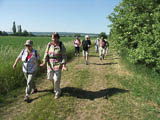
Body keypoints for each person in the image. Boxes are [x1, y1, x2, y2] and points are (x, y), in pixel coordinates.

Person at [40, 32, 67, 99]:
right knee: (50, 78)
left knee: (56, 79)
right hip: (49, 64)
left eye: (54, 38)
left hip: (58, 64)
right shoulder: (49, 44)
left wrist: (64, 65)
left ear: (58, 38)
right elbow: (46, 54)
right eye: (52, 38)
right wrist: (44, 62)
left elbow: (64, 56)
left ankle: (57, 92)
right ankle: (56, 87)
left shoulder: (61, 45)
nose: (53, 39)